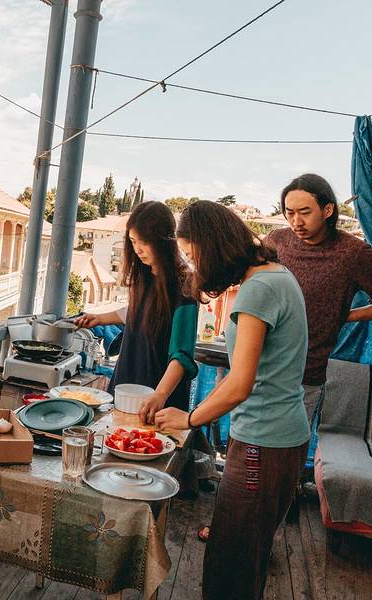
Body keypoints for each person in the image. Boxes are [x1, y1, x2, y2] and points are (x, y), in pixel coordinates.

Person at [157, 201, 310, 600]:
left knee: (230, 567)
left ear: (213, 246)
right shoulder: (275, 275)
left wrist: (188, 419)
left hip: (263, 442)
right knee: (246, 558)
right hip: (280, 438)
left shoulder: (258, 290)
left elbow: (240, 383)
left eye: (194, 256)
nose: (194, 267)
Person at [75, 201, 198, 421]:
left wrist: (159, 395)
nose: (138, 249)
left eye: (144, 242)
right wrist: (99, 319)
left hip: (160, 395)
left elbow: (181, 354)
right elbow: (137, 311)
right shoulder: (144, 275)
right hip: (126, 383)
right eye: (133, 241)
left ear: (163, 240)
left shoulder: (185, 284)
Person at [266, 173, 372, 422]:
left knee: (289, 443)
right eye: (290, 213)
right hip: (258, 369)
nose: (296, 221)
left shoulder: (353, 252)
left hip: (305, 377)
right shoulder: (276, 241)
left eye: (305, 212)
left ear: (327, 210)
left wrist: (344, 315)